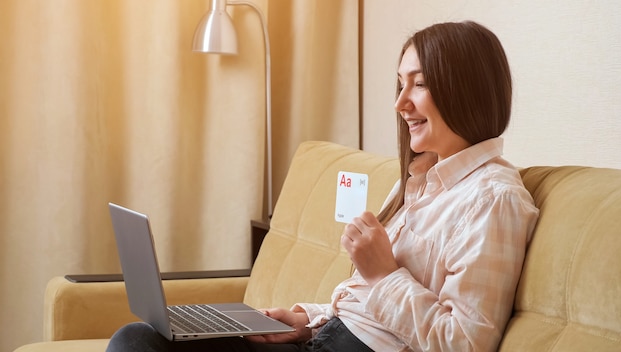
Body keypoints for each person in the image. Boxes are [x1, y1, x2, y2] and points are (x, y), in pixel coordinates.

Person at [106, 20, 539, 352]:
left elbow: (465, 342)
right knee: (140, 339)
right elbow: (366, 306)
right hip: (323, 339)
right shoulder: (419, 179)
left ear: (465, 91)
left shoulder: (494, 199)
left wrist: (385, 274)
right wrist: (305, 320)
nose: (399, 102)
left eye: (420, 83)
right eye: (400, 82)